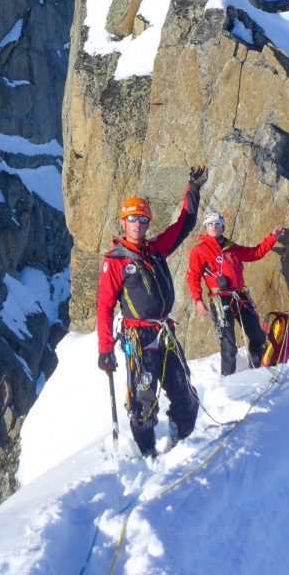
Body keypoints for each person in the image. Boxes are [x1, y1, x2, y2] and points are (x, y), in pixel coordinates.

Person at [96, 165, 208, 457]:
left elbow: (184, 225)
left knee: (184, 395)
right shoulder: (116, 261)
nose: (138, 224)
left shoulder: (155, 249)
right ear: (123, 223)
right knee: (143, 404)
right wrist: (105, 349)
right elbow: (105, 306)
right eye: (133, 219)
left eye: (143, 219)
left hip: (164, 332)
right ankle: (147, 456)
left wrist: (193, 190)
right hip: (139, 339)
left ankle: (181, 443)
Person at [186, 212, 285, 376]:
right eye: (210, 224)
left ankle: (257, 369)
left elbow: (255, 253)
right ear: (205, 227)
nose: (214, 227)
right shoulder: (200, 251)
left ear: (223, 227)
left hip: (239, 297)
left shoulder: (231, 247)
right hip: (219, 299)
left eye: (217, 224)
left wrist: (272, 237)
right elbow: (193, 276)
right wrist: (198, 299)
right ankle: (229, 380)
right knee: (228, 343)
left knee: (256, 334)